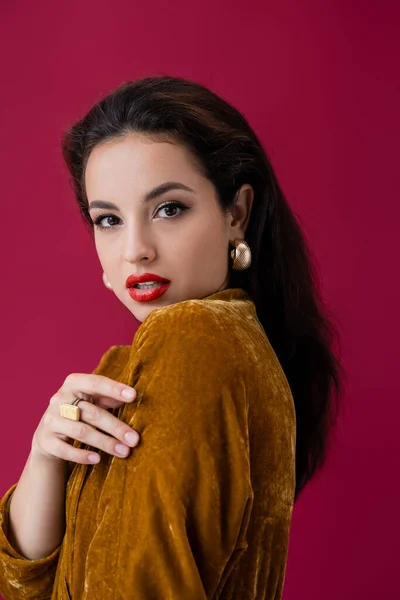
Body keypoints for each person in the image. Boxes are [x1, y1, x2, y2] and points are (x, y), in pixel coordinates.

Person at [0, 75, 345, 599]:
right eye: (109, 219)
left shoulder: (195, 336)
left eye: (168, 209)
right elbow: (29, 581)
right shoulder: (152, 363)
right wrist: (45, 459)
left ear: (236, 214)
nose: (135, 249)